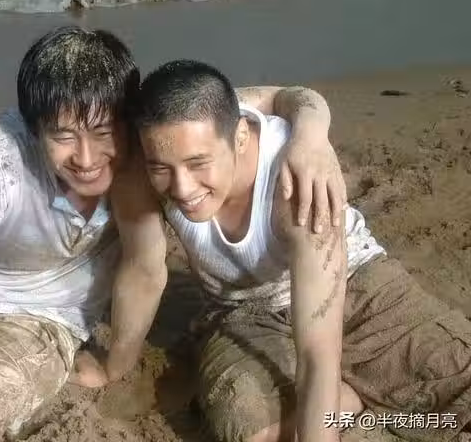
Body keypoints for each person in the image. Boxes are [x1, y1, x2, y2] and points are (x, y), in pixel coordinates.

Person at [0, 27, 343, 442]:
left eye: (103, 133)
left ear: (129, 121)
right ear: (33, 128)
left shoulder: (156, 152)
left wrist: (312, 135)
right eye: (63, 136)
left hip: (38, 317)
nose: (86, 158)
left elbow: (259, 101)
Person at [100, 59, 471, 442]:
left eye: (199, 163)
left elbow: (317, 354)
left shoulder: (294, 187)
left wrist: (310, 140)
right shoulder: (154, 144)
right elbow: (142, 269)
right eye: (161, 168)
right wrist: (114, 365)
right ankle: (351, 405)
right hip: (244, 311)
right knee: (253, 430)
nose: (182, 188)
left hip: (355, 284)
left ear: (240, 136)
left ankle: (354, 406)